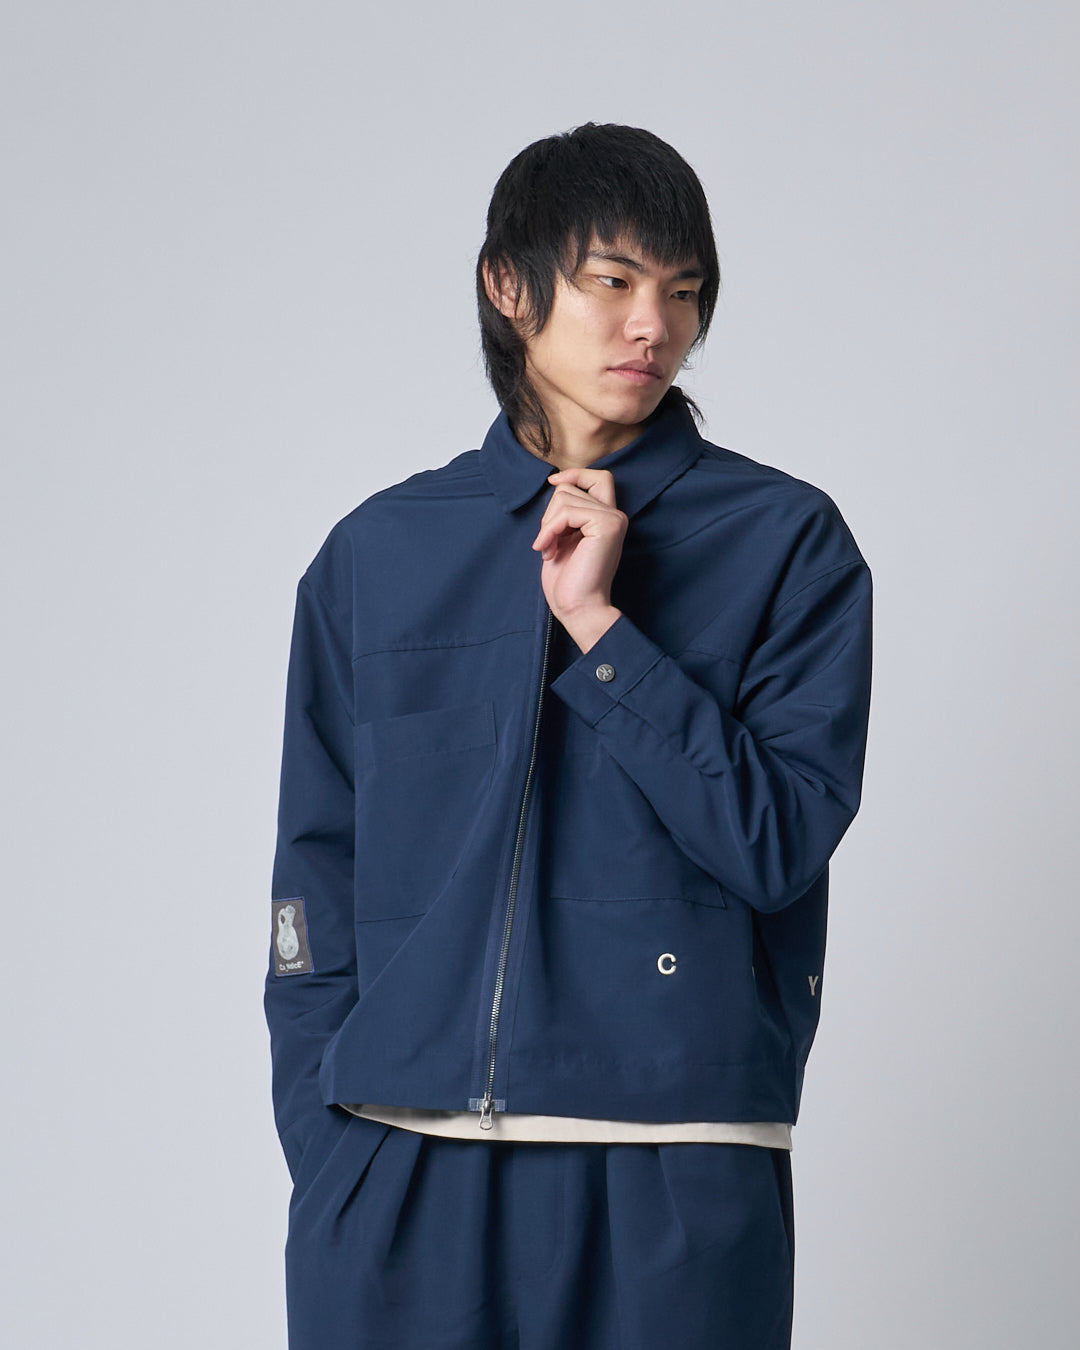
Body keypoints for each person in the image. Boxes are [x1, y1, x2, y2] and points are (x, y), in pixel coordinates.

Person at [265, 121, 873, 1350]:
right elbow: (314, 881)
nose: (654, 325)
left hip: (675, 1169)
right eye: (613, 280)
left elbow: (776, 843)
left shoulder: (785, 543)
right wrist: (332, 1149)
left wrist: (601, 630)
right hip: (401, 1170)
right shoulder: (379, 555)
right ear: (510, 285)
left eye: (683, 292)